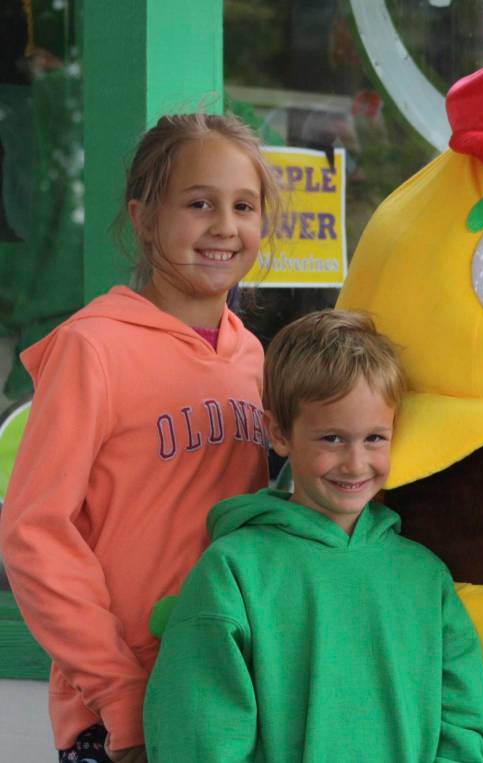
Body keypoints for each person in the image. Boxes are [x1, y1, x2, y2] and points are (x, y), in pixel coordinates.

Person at [0, 112, 279, 762]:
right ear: (144, 217)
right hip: (120, 711)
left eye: (244, 205)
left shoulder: (254, 358)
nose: (224, 226)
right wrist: (121, 694)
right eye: (199, 203)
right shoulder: (91, 348)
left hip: (226, 694)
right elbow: (34, 534)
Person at [143, 309, 483, 762]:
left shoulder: (426, 578)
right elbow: (198, 733)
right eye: (332, 438)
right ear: (278, 433)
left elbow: (465, 728)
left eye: (374, 438)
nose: (355, 463)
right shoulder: (232, 571)